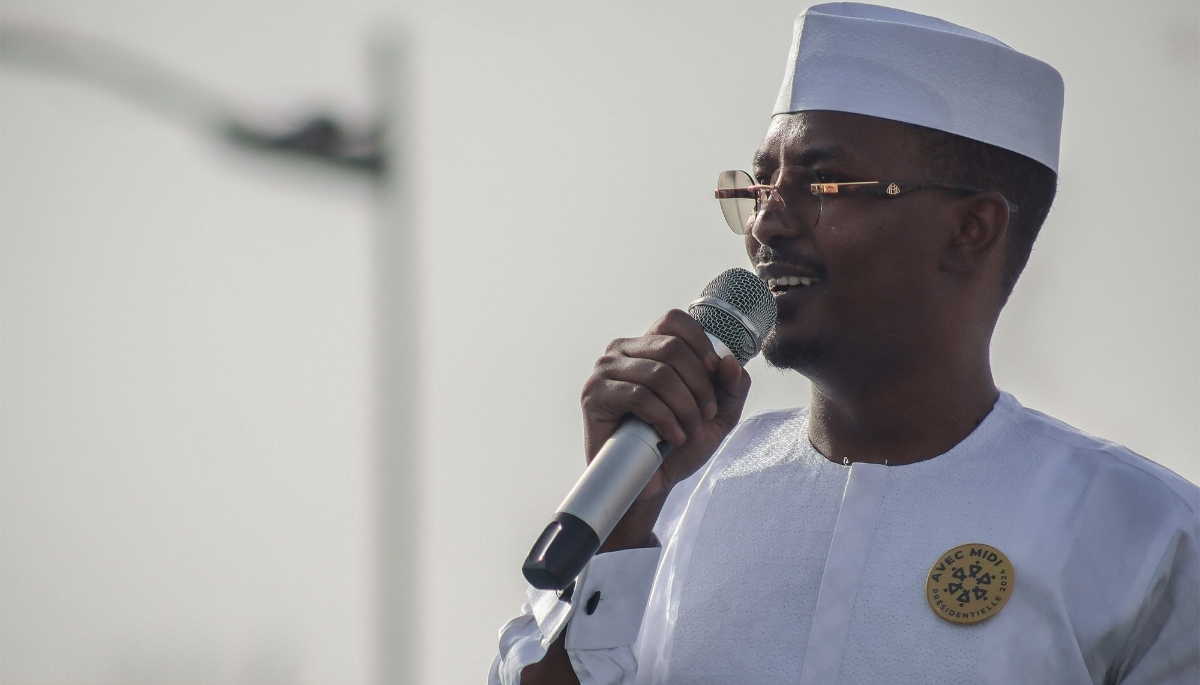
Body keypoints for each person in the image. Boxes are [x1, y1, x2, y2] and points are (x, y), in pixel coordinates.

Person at [489, 4, 1199, 684]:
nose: (766, 225)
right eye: (762, 184)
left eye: (823, 182)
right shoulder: (673, 498)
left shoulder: (1143, 536)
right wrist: (622, 524)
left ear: (970, 229)